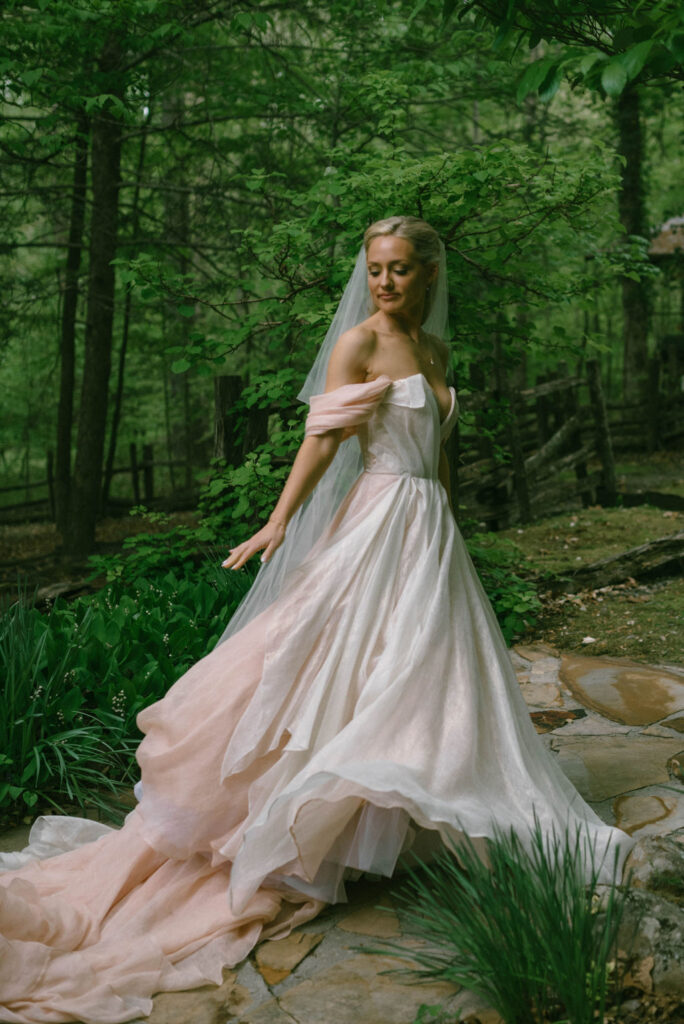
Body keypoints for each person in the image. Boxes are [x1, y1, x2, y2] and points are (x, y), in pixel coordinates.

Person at [0, 216, 632, 1024]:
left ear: (430, 275)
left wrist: (451, 526)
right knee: (341, 665)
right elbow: (324, 443)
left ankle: (391, 824)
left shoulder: (436, 355)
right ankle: (310, 830)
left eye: (401, 269)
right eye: (375, 268)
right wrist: (278, 522)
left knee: (424, 676)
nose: (385, 283)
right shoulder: (359, 346)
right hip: (373, 523)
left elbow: (438, 458)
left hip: (429, 533)